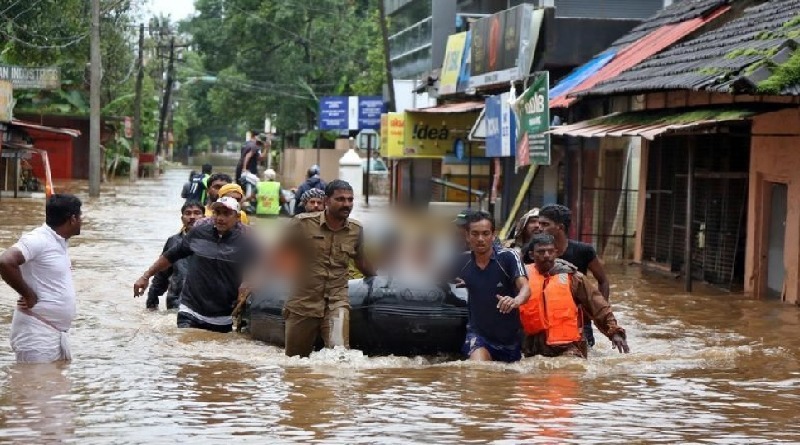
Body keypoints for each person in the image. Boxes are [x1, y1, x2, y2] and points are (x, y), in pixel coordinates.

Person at [134, 197, 258, 333]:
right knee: (184, 347)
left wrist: (248, 285)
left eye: (226, 214)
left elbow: (260, 269)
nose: (220, 218)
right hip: (190, 310)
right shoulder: (198, 233)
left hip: (223, 317)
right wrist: (145, 277)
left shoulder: (247, 243)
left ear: (238, 217)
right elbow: (170, 256)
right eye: (217, 212)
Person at [282, 179, 376, 357]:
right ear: (326, 201)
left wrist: (380, 282)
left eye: (350, 200)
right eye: (340, 199)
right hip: (303, 302)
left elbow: (361, 261)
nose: (346, 204)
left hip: (337, 301)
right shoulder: (302, 224)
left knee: (339, 356)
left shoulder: (356, 230)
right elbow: (279, 253)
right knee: (296, 362)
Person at [0, 194, 82, 363]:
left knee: (56, 387)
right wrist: (28, 294)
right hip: (36, 333)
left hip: (55, 333)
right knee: (35, 387)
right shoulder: (38, 239)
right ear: (72, 219)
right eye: (80, 216)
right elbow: (5, 261)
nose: (82, 221)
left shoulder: (59, 241)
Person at [519, 234, 629, 358]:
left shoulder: (573, 278)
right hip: (531, 347)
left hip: (567, 347)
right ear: (532, 255)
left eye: (550, 251)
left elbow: (598, 306)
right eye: (541, 252)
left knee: (570, 370)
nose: (546, 255)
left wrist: (614, 332)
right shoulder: (521, 277)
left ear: (556, 253)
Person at [452, 211, 530, 363]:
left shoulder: (508, 257)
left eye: (485, 233)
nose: (480, 239)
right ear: (467, 236)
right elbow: (436, 276)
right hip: (478, 337)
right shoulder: (461, 261)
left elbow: (526, 288)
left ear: (493, 235)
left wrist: (516, 300)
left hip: (510, 340)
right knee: (479, 371)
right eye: (475, 234)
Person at [537, 204, 611, 347]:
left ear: (560, 227)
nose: (539, 228)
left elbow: (603, 281)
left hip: (580, 321)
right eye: (539, 223)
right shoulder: (534, 252)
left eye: (545, 224)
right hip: (547, 321)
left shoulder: (584, 251)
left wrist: (599, 312)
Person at [145, 201, 205, 310]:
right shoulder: (173, 241)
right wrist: (152, 301)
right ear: (182, 218)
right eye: (188, 213)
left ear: (204, 217)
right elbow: (162, 274)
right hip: (176, 303)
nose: (192, 217)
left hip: (203, 304)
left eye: (197, 213)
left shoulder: (213, 242)